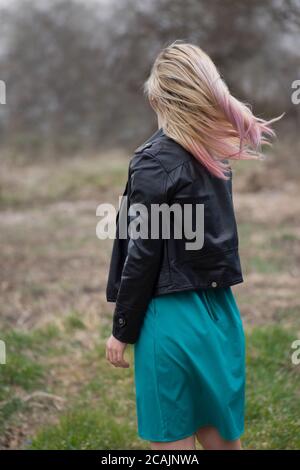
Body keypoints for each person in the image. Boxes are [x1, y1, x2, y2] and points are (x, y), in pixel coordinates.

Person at [105, 41, 279, 450]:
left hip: (171, 319)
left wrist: (122, 329)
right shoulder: (217, 156)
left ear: (162, 98)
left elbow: (143, 252)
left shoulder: (153, 160)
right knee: (222, 443)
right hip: (220, 318)